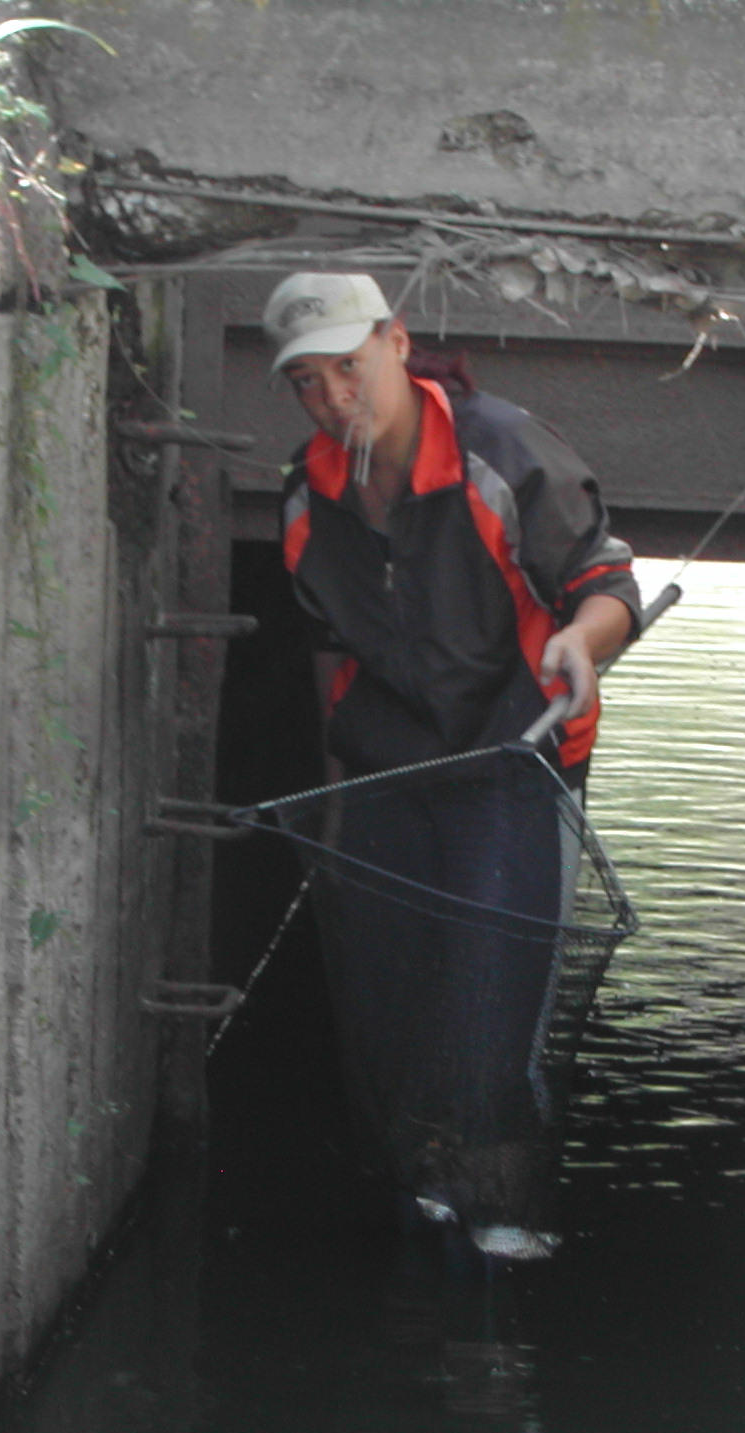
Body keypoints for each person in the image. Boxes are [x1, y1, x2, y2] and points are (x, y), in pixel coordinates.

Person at [264, 271, 641, 1258]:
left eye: (348, 368)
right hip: (389, 776)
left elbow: (607, 585)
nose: (334, 399)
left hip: (513, 769)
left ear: (394, 342)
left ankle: (495, 1242)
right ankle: (423, 1206)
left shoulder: (499, 451)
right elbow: (326, 649)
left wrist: (580, 648)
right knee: (394, 1018)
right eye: (306, 382)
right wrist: (335, 794)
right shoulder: (306, 494)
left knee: (485, 1030)